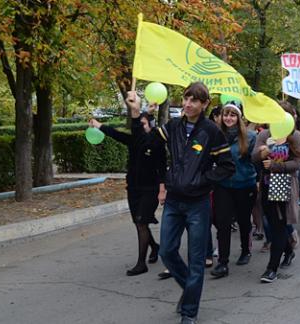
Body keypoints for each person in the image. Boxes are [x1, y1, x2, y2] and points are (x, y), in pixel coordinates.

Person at [125, 82, 235, 324]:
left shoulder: (211, 131)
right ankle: (190, 292)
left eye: (194, 100)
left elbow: (227, 166)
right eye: (186, 98)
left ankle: (189, 313)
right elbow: (144, 144)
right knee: (167, 251)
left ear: (205, 104)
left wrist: (202, 181)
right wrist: (136, 113)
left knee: (197, 261)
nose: (187, 104)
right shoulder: (173, 127)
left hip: (198, 204)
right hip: (174, 202)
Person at [88, 107, 166, 276]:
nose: (140, 127)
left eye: (143, 124)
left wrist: (162, 190)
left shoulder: (157, 143)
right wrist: (98, 124)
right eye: (139, 124)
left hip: (150, 189)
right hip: (133, 188)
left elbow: (162, 168)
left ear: (150, 125)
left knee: (141, 222)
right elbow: (114, 133)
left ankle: (141, 264)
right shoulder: (133, 141)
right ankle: (154, 246)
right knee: (139, 222)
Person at [252, 102, 300, 283]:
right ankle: (288, 250)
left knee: (279, 224)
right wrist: (261, 153)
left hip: (285, 185)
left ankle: (271, 268)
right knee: (272, 222)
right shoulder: (265, 135)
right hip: (266, 185)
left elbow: (298, 163)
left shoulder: (295, 136)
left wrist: (276, 165)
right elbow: (254, 159)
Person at [211, 103, 258, 279]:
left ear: (239, 118)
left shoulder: (250, 137)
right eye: (226, 115)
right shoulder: (216, 136)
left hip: (245, 185)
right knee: (222, 222)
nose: (228, 118)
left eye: (232, 115)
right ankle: (223, 262)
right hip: (223, 185)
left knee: (243, 220)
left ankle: (246, 250)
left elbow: (255, 161)